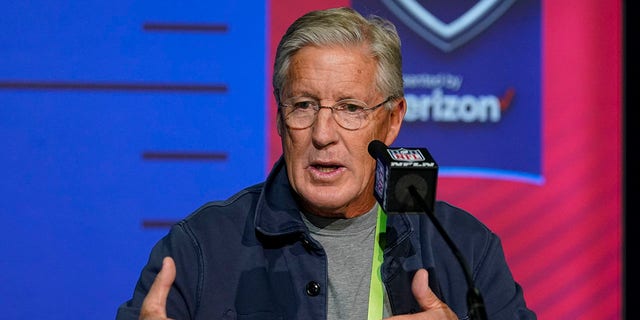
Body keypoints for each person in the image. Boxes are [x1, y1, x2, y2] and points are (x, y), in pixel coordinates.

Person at [116, 7, 536, 320]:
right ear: (280, 118)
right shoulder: (201, 248)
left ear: (391, 121)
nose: (322, 134)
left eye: (350, 108)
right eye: (303, 105)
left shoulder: (463, 247)